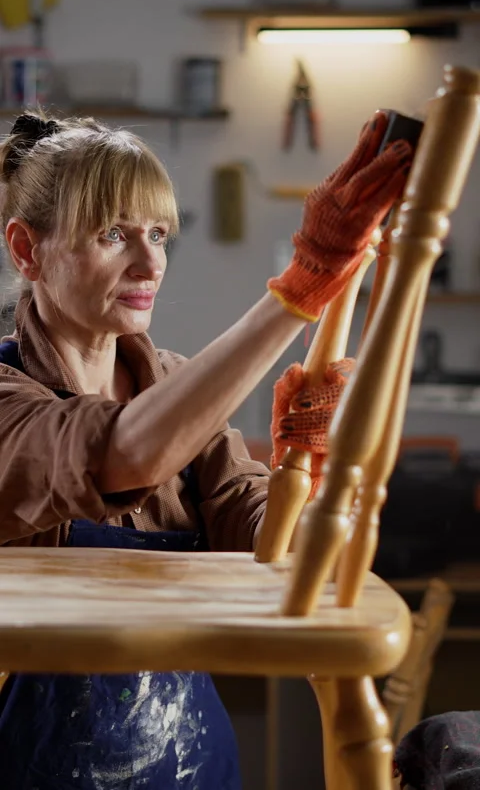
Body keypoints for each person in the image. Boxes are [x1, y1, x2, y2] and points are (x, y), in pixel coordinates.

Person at [0, 110, 410, 789]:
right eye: (113, 234)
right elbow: (122, 450)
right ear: (26, 250)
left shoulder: (175, 385)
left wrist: (307, 473)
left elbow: (269, 545)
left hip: (194, 769)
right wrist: (300, 288)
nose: (150, 260)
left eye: (159, 234)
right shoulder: (11, 398)